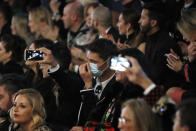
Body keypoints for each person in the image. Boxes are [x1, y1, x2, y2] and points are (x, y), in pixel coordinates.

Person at [138, 1, 186, 89]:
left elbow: (155, 78)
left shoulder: (166, 45)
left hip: (166, 94)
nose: (139, 21)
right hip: (153, 88)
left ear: (153, 23)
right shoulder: (150, 38)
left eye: (143, 18)